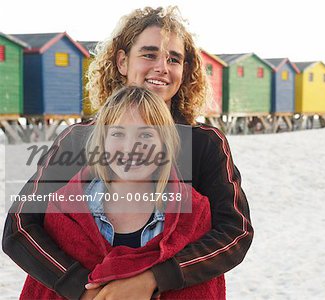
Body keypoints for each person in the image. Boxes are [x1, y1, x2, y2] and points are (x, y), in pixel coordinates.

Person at [3, 6, 253, 300]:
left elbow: (234, 231)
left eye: (174, 59)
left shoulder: (204, 143)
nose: (162, 66)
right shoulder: (78, 139)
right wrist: (81, 289)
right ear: (122, 61)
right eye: (149, 54)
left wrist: (153, 280)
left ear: (184, 71)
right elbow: (20, 225)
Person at [20, 85, 225, 300]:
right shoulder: (64, 209)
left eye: (146, 135)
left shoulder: (194, 213)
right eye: (117, 133)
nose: (131, 147)